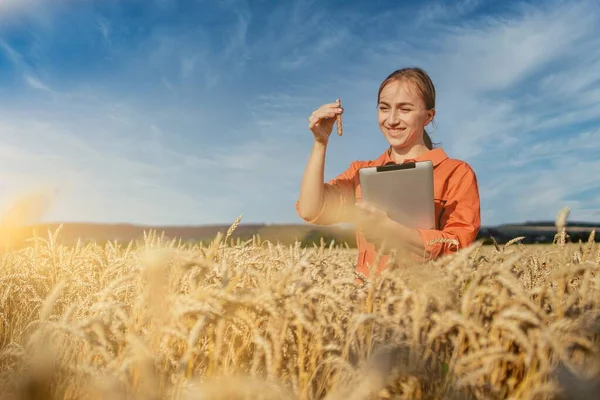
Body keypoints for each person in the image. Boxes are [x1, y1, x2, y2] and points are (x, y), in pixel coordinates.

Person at [296, 67, 481, 279]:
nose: (391, 119)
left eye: (405, 109)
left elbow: (458, 245)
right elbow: (311, 210)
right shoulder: (360, 173)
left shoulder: (457, 174)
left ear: (429, 116)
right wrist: (320, 143)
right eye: (384, 108)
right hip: (368, 304)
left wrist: (392, 230)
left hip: (429, 303)